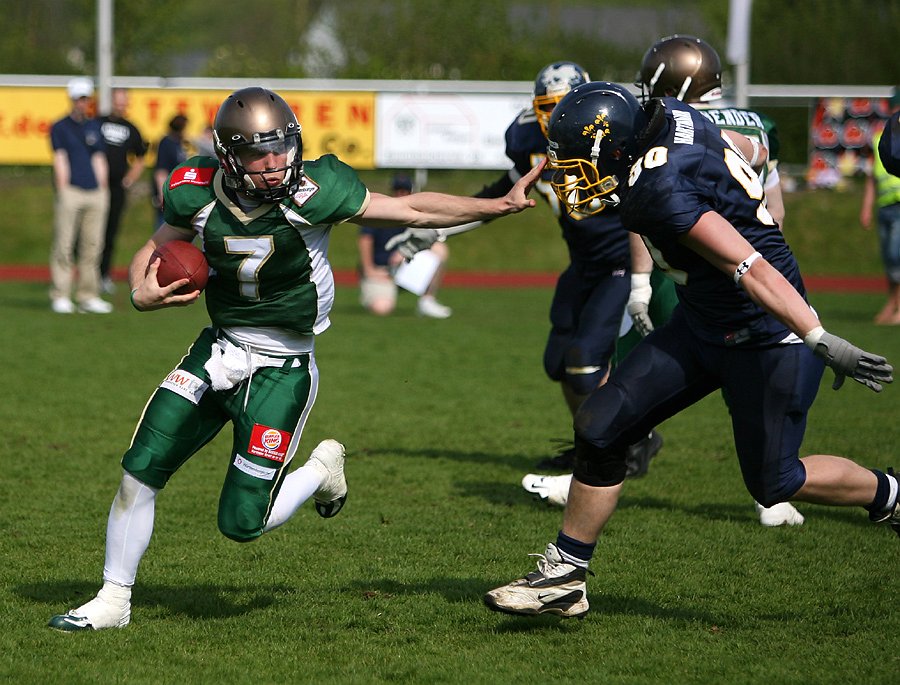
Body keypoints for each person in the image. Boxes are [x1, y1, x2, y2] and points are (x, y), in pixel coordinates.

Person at [47, 86, 542, 632]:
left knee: (242, 522)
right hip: (218, 350)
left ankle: (321, 469)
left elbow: (410, 209)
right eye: (259, 153)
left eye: (282, 147)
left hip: (283, 367)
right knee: (139, 470)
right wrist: (140, 289)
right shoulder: (195, 189)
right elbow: (158, 243)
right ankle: (113, 598)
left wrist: (497, 205)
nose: (276, 162)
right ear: (228, 156)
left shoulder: (316, 191)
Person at [484, 82, 895, 619]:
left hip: (766, 333)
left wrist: (818, 336)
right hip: (701, 322)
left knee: (775, 481)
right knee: (601, 426)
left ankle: (889, 494)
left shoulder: (661, 188)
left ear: (616, 149)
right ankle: (564, 576)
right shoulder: (670, 117)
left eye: (579, 164)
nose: (570, 180)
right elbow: (748, 149)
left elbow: (749, 267)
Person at [522, 36, 804, 527]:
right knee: (748, 385)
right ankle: (773, 492)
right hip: (755, 264)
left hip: (693, 268)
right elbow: (768, 188)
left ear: (667, 81)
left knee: (629, 366)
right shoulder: (751, 122)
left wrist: (639, 283)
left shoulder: (670, 126)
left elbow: (645, 204)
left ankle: (596, 466)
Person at [48, 77, 112, 314]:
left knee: (93, 246)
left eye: (86, 98)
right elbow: (60, 158)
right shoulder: (60, 127)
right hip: (72, 191)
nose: (83, 103)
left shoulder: (94, 126)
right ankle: (61, 294)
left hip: (95, 192)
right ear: (72, 99)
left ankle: (88, 295)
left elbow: (99, 158)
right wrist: (63, 188)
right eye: (79, 98)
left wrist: (103, 188)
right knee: (64, 245)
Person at [358, 173, 453, 318]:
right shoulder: (380, 209)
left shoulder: (416, 213)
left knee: (439, 249)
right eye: (398, 190)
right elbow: (365, 240)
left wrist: (404, 252)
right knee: (382, 308)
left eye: (405, 190)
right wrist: (369, 270)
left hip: (404, 266)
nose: (401, 194)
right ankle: (376, 294)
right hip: (381, 270)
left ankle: (427, 301)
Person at [98, 87, 148, 294]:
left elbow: (141, 157)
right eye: (117, 101)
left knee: (110, 232)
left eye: (123, 101)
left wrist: (128, 180)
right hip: (95, 188)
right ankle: (85, 274)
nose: (120, 105)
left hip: (116, 188)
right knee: (90, 233)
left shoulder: (131, 128)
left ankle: (103, 274)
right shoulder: (97, 123)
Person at [860, 89, 900, 324]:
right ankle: (892, 302)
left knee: (897, 255)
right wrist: (866, 207)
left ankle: (898, 307)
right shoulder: (880, 139)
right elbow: (871, 178)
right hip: (885, 205)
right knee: (888, 258)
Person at [151, 113, 189, 228]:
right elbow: (161, 171)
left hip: (177, 193)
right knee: (164, 226)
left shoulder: (178, 144)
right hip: (168, 192)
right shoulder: (166, 143)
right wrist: (162, 194)